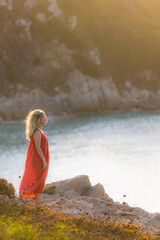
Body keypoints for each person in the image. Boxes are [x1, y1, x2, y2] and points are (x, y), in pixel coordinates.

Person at [19, 109, 50, 207]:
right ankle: (38, 207)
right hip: (38, 161)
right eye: (44, 117)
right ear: (38, 119)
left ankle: (39, 207)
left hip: (41, 160)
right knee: (39, 182)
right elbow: (37, 147)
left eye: (45, 117)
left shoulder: (40, 131)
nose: (46, 119)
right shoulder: (37, 132)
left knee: (41, 182)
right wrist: (44, 161)